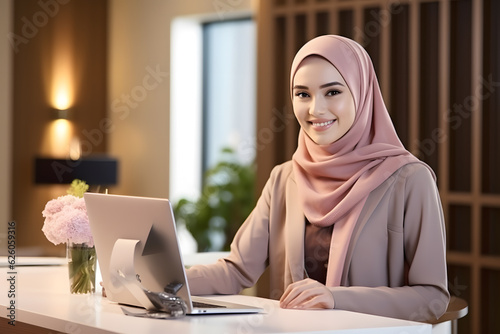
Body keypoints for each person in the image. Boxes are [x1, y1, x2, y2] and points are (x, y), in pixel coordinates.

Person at [186, 35, 450, 322]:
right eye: (303, 94)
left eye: (333, 92)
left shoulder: (410, 180)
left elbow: (432, 298)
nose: (315, 109)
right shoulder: (284, 178)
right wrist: (162, 280)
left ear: (362, 94)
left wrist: (336, 299)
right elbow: (235, 271)